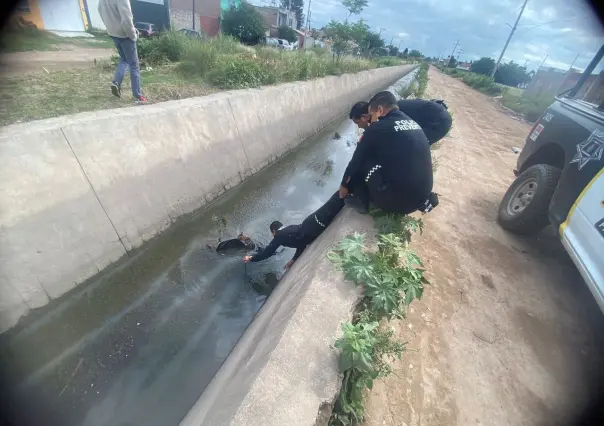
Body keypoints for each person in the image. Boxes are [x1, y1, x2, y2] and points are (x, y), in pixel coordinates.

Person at [341, 91, 436, 215]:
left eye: (371, 114)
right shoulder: (412, 122)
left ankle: (363, 201)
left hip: (397, 204)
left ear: (379, 109)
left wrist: (344, 185)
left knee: (365, 159)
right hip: (422, 198)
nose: (371, 118)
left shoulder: (377, 129)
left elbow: (355, 163)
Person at [243, 190, 344, 269]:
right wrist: (293, 260)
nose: (273, 236)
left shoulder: (280, 236)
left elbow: (267, 253)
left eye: (272, 234)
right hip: (311, 223)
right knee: (334, 204)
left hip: (314, 224)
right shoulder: (287, 232)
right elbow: (301, 243)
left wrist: (251, 258)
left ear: (274, 231)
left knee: (333, 203)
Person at [98, 0, 147, 103]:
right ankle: (137, 96)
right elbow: (126, 19)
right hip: (125, 35)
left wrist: (109, 27)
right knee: (134, 64)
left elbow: (100, 10)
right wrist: (133, 36)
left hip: (113, 33)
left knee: (124, 60)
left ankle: (116, 82)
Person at [349, 98, 451, 145]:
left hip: (439, 121)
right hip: (434, 112)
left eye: (357, 122)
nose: (359, 127)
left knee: (415, 145)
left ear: (364, 117)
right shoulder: (382, 110)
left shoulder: (383, 117)